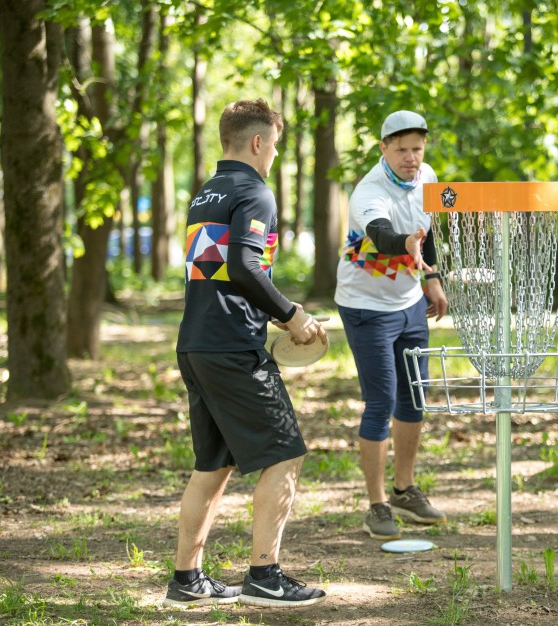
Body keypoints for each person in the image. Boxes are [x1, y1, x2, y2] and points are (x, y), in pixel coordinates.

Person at [163, 98, 328, 608]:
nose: (275, 155)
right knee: (285, 453)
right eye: (275, 145)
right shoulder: (255, 191)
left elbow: (225, 269)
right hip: (232, 347)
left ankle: (186, 580)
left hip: (195, 344)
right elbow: (244, 267)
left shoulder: (205, 194)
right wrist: (292, 315)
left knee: (212, 464)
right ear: (258, 142)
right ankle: (265, 575)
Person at [334, 110, 449, 540]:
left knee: (414, 399)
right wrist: (406, 243)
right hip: (366, 307)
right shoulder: (369, 191)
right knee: (381, 401)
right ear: (383, 148)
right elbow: (382, 234)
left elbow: (428, 229)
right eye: (401, 149)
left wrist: (432, 278)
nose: (411, 158)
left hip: (409, 303)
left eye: (417, 149)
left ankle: (404, 489)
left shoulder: (428, 175)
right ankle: (377, 504)